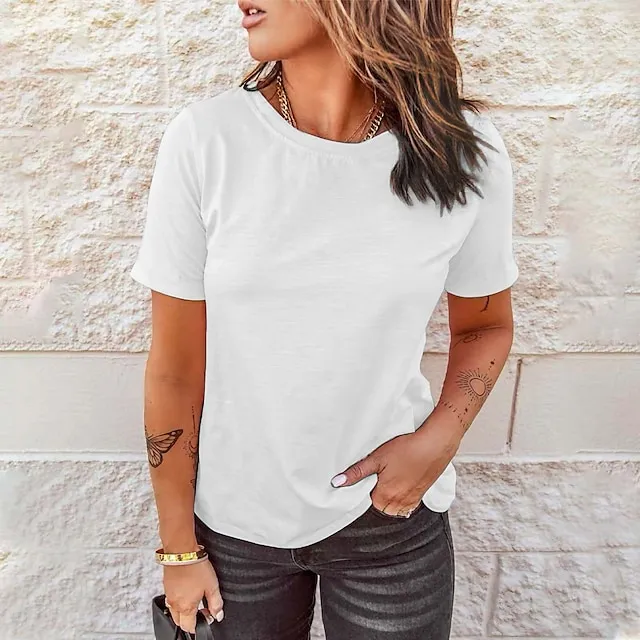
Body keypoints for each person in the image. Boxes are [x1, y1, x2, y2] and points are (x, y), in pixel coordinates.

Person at [131, 0, 518, 638]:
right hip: (233, 530)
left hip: (391, 522)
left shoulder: (463, 151)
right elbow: (174, 369)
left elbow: (486, 326)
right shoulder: (207, 140)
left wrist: (437, 442)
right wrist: (178, 549)